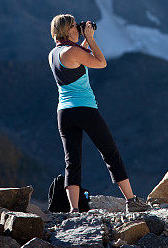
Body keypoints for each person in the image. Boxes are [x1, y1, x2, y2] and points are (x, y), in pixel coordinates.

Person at [48, 13, 149, 215]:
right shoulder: (73, 51)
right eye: (75, 27)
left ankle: (74, 208)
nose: (77, 29)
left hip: (64, 113)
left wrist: (85, 39)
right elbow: (100, 62)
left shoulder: (53, 53)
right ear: (68, 29)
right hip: (85, 109)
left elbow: (77, 58)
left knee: (72, 161)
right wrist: (91, 39)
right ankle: (131, 200)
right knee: (109, 152)